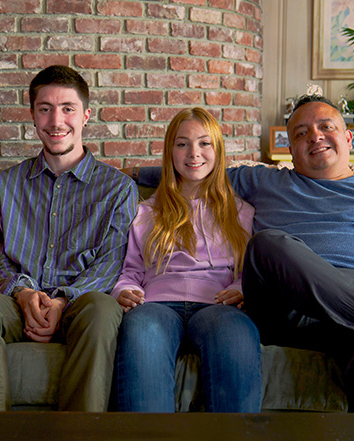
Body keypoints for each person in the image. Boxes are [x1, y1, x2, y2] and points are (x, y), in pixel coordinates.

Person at [135, 94, 354, 413]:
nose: (315, 136)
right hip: (288, 311)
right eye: (301, 133)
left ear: (349, 137)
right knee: (268, 243)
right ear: (290, 149)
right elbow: (195, 169)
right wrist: (122, 177)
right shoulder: (264, 181)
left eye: (326, 126)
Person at [0, 65, 138, 412]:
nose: (56, 120)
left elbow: (112, 261)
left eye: (67, 109)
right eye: (45, 108)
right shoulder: (7, 184)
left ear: (86, 115)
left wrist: (62, 302)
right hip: (17, 303)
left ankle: (79, 437)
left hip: (81, 304)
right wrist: (22, 293)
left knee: (103, 309)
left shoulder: (118, 188)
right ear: (33, 116)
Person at [111, 108, 261, 412]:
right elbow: (130, 270)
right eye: (182, 144)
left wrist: (242, 288)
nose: (194, 153)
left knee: (235, 335)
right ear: (170, 152)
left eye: (204, 143)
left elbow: (250, 269)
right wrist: (123, 290)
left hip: (218, 305)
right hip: (156, 304)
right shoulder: (146, 212)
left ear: (218, 151)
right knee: (141, 331)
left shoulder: (242, 211)